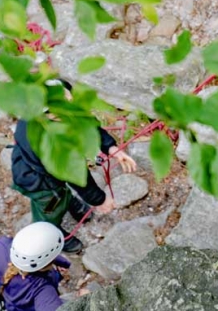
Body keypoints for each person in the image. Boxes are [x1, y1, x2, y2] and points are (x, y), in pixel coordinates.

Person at [11, 79, 137, 253]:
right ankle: (52, 235)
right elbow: (77, 176)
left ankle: (71, 203)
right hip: (37, 180)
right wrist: (99, 199)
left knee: (63, 192)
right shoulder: (47, 140)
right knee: (50, 208)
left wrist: (111, 148)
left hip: (48, 168)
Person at [0, 222, 73, 311]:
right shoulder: (42, 290)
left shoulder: (1, 246)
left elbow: (41, 256)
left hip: (9, 293)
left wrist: (64, 263)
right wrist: (85, 299)